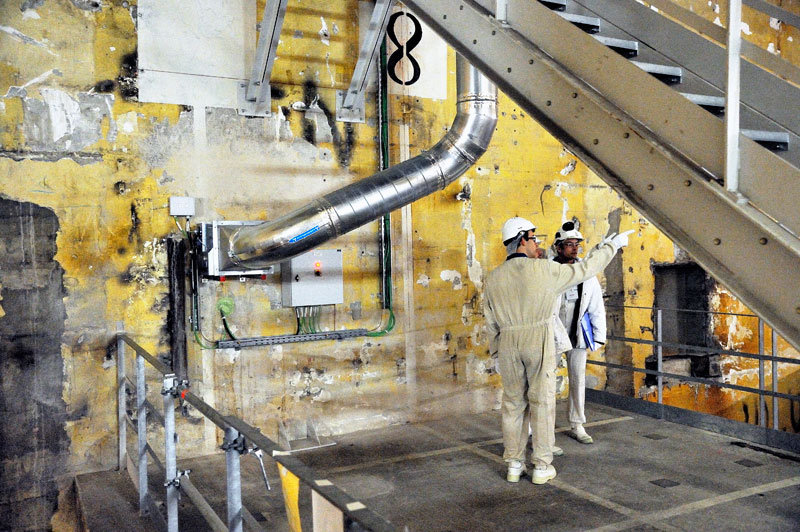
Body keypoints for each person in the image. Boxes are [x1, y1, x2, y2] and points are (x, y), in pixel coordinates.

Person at [484, 217, 632, 485]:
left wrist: (496, 353)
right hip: (537, 337)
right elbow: (585, 269)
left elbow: (490, 322)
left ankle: (514, 464)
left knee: (513, 404)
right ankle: (541, 465)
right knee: (541, 401)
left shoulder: (493, 278)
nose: (537, 243)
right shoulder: (543, 270)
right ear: (523, 240)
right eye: (534, 238)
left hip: (507, 342)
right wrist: (611, 246)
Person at [552, 221, 606, 445]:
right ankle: (534, 425)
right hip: (553, 334)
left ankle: (577, 424)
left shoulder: (587, 273)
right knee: (544, 381)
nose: (574, 248)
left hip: (577, 334)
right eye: (569, 244)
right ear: (558, 247)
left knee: (577, 379)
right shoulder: (548, 270)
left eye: (577, 244)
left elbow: (596, 305)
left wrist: (598, 334)